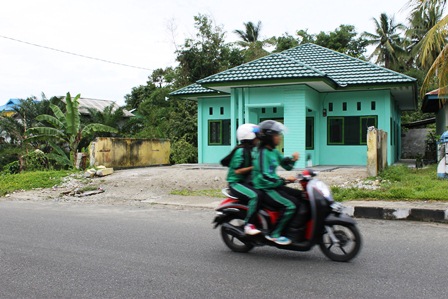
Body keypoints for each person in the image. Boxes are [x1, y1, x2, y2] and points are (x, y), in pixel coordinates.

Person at [252, 120, 301, 245]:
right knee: (290, 205)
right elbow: (264, 176)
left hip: (275, 185)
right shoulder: (262, 153)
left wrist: (293, 159)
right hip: (266, 188)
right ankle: (275, 234)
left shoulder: (274, 151)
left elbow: (286, 165)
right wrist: (283, 180)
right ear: (268, 137)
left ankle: (294, 229)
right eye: (276, 135)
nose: (279, 137)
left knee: (301, 196)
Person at [221, 123, 262, 235]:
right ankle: (249, 225)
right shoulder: (241, 151)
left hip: (245, 181)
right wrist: (254, 167)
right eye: (256, 136)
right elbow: (237, 171)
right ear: (249, 137)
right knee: (255, 196)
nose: (258, 139)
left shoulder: (250, 150)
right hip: (236, 183)